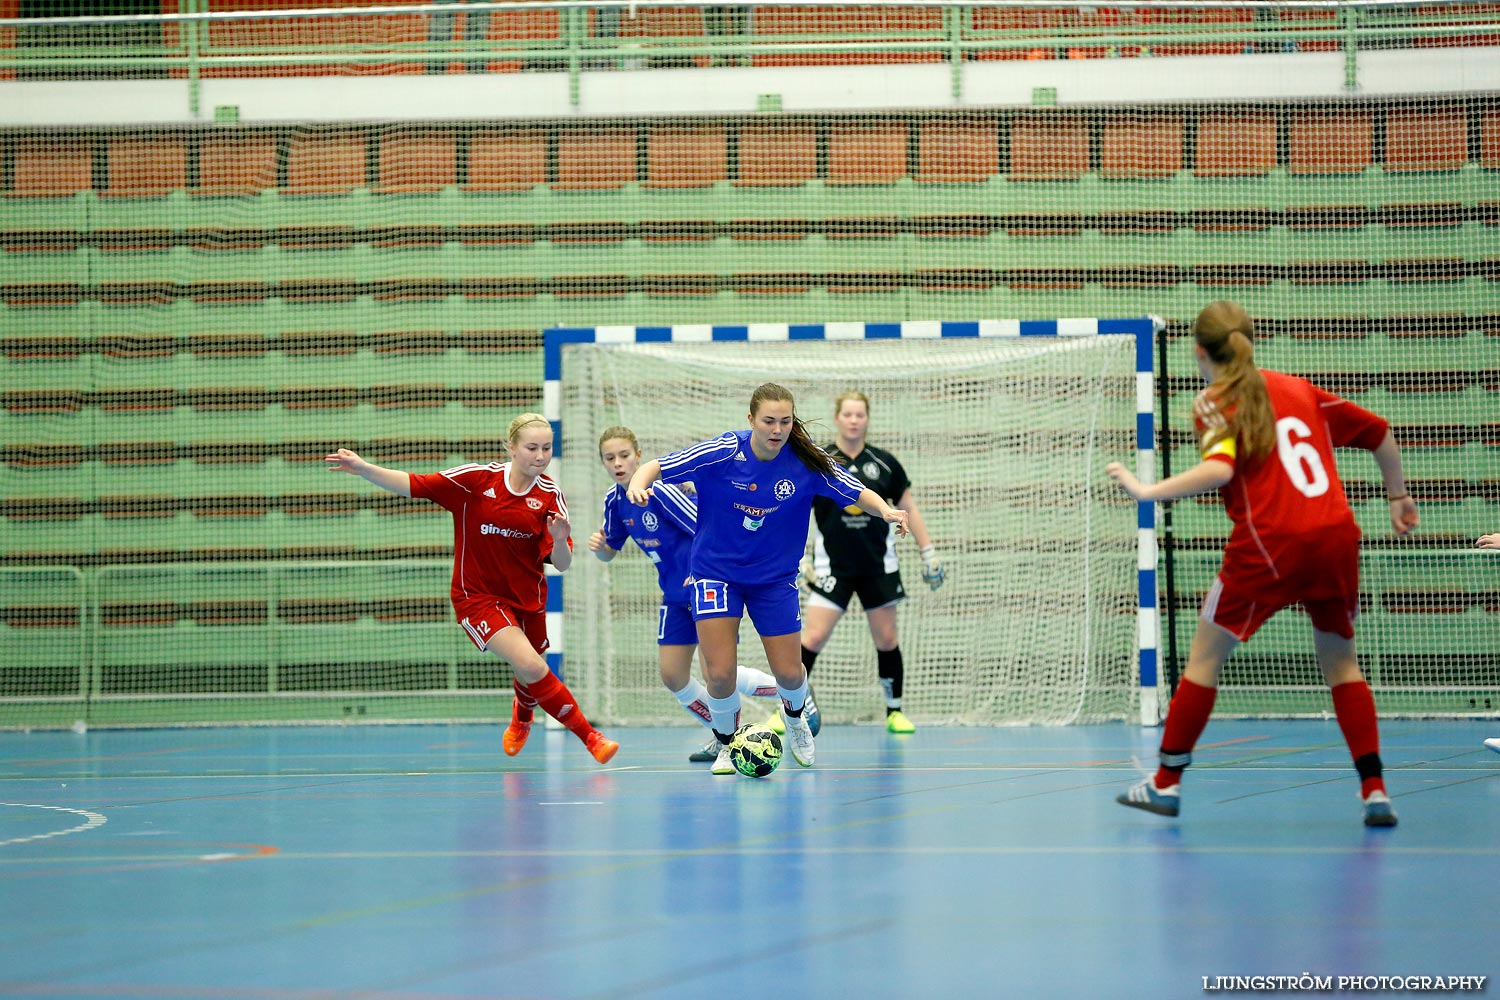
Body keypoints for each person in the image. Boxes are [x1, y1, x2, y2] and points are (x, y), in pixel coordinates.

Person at [1104, 301, 1419, 828]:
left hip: (1270, 543)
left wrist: (1148, 491)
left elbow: (1221, 469)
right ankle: (1375, 791)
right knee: (1341, 663)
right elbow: (1380, 432)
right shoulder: (1300, 389)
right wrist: (1398, 498)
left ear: (1200, 352)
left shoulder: (1212, 401)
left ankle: (1165, 783)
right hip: (1336, 537)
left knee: (1204, 660)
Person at [626, 383, 909, 776]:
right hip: (715, 575)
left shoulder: (806, 463)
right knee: (720, 674)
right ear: (751, 420)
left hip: (774, 580)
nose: (778, 429)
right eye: (769, 421)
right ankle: (726, 743)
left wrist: (887, 512)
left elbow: (857, 491)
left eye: (785, 421)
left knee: (791, 673)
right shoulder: (724, 452)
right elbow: (657, 465)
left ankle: (795, 721)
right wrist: (640, 484)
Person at [325, 413, 619, 765]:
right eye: (531, 448)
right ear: (510, 447)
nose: (540, 456)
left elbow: (564, 563)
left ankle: (522, 716)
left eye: (546, 448)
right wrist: (364, 468)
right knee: (531, 665)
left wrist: (559, 540)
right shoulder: (475, 480)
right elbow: (415, 483)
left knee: (530, 667)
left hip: (527, 596)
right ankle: (591, 738)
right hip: (476, 597)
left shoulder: (550, 495)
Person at [587, 425, 786, 765]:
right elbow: (610, 552)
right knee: (673, 675)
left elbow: (707, 527)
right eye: (610, 458)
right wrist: (601, 547)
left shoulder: (660, 491)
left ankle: (789, 693)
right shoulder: (615, 500)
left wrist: (700, 571)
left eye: (624, 455)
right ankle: (724, 733)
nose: (618, 463)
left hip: (705, 589)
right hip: (673, 597)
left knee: (717, 675)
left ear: (638, 455)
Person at [800, 391, 944, 734]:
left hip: (878, 567)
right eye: (847, 414)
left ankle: (894, 712)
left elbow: (909, 508)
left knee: (887, 638)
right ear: (837, 417)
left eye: (859, 414)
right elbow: (795, 509)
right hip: (831, 567)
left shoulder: (885, 463)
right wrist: (797, 556)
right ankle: (788, 707)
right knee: (812, 637)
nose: (853, 420)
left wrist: (929, 552)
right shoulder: (819, 461)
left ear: (867, 419)